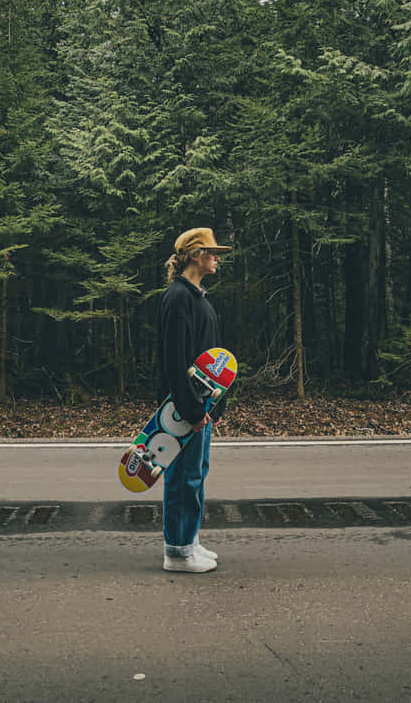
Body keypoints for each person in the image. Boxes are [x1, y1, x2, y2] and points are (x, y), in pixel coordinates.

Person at [157, 227, 231, 573]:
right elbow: (175, 360)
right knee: (183, 477)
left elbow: (209, 359)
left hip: (201, 404)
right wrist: (191, 409)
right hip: (186, 406)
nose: (217, 258)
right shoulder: (178, 298)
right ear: (195, 255)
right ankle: (177, 552)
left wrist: (215, 405)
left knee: (196, 473)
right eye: (213, 252)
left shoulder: (197, 297)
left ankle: (190, 540)